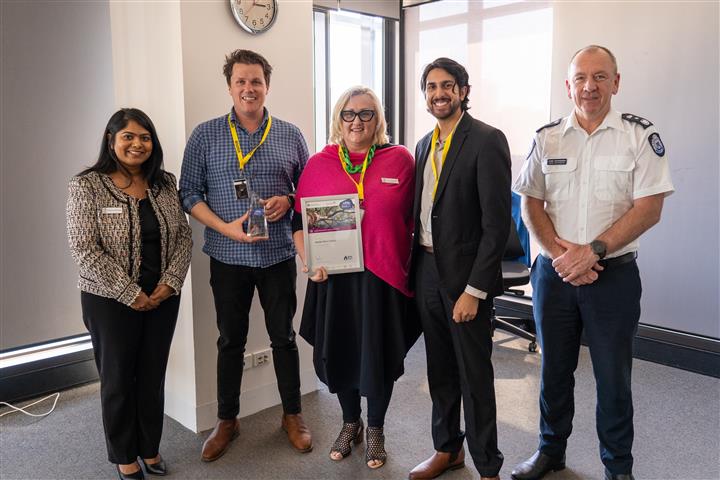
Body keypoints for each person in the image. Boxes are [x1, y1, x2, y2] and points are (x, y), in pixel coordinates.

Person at [511, 45, 674, 480]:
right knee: (553, 372)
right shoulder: (546, 136)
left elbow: (649, 208)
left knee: (613, 380)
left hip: (612, 278)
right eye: (581, 78)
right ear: (569, 86)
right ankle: (550, 452)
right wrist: (562, 255)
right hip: (554, 275)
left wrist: (592, 251)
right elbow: (530, 203)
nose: (590, 86)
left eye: (601, 77)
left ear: (616, 83)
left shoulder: (640, 136)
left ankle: (618, 469)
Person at [179, 49, 312, 461]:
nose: (249, 89)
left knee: (283, 338)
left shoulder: (290, 134)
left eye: (256, 81)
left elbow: (307, 194)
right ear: (230, 87)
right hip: (227, 256)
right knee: (229, 340)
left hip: (276, 256)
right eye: (241, 81)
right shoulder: (204, 135)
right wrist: (224, 228)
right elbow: (189, 193)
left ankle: (292, 415)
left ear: (267, 85)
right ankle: (227, 420)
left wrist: (288, 200)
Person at [292, 86, 419, 469]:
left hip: (382, 279)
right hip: (335, 279)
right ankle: (351, 423)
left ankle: (376, 428)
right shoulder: (319, 163)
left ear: (378, 120)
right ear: (338, 119)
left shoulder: (400, 161)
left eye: (366, 113)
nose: (357, 121)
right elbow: (298, 225)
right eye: (349, 114)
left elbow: (418, 221)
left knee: (379, 357)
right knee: (341, 353)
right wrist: (306, 260)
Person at [66, 108, 192, 480]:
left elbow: (183, 238)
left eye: (145, 137)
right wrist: (129, 293)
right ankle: (124, 456)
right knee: (119, 380)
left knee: (152, 377)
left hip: (163, 298)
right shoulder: (86, 185)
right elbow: (84, 249)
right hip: (109, 302)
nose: (138, 144)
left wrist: (170, 282)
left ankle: (150, 449)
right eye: (129, 137)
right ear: (111, 140)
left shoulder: (165, 183)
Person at [408, 58, 510, 480]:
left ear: (464, 91)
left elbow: (496, 226)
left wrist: (475, 290)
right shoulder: (422, 145)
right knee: (440, 370)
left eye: (448, 85)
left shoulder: (486, 140)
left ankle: (487, 465)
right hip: (428, 270)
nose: (439, 93)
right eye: (431, 87)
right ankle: (447, 449)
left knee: (474, 375)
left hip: (466, 279)